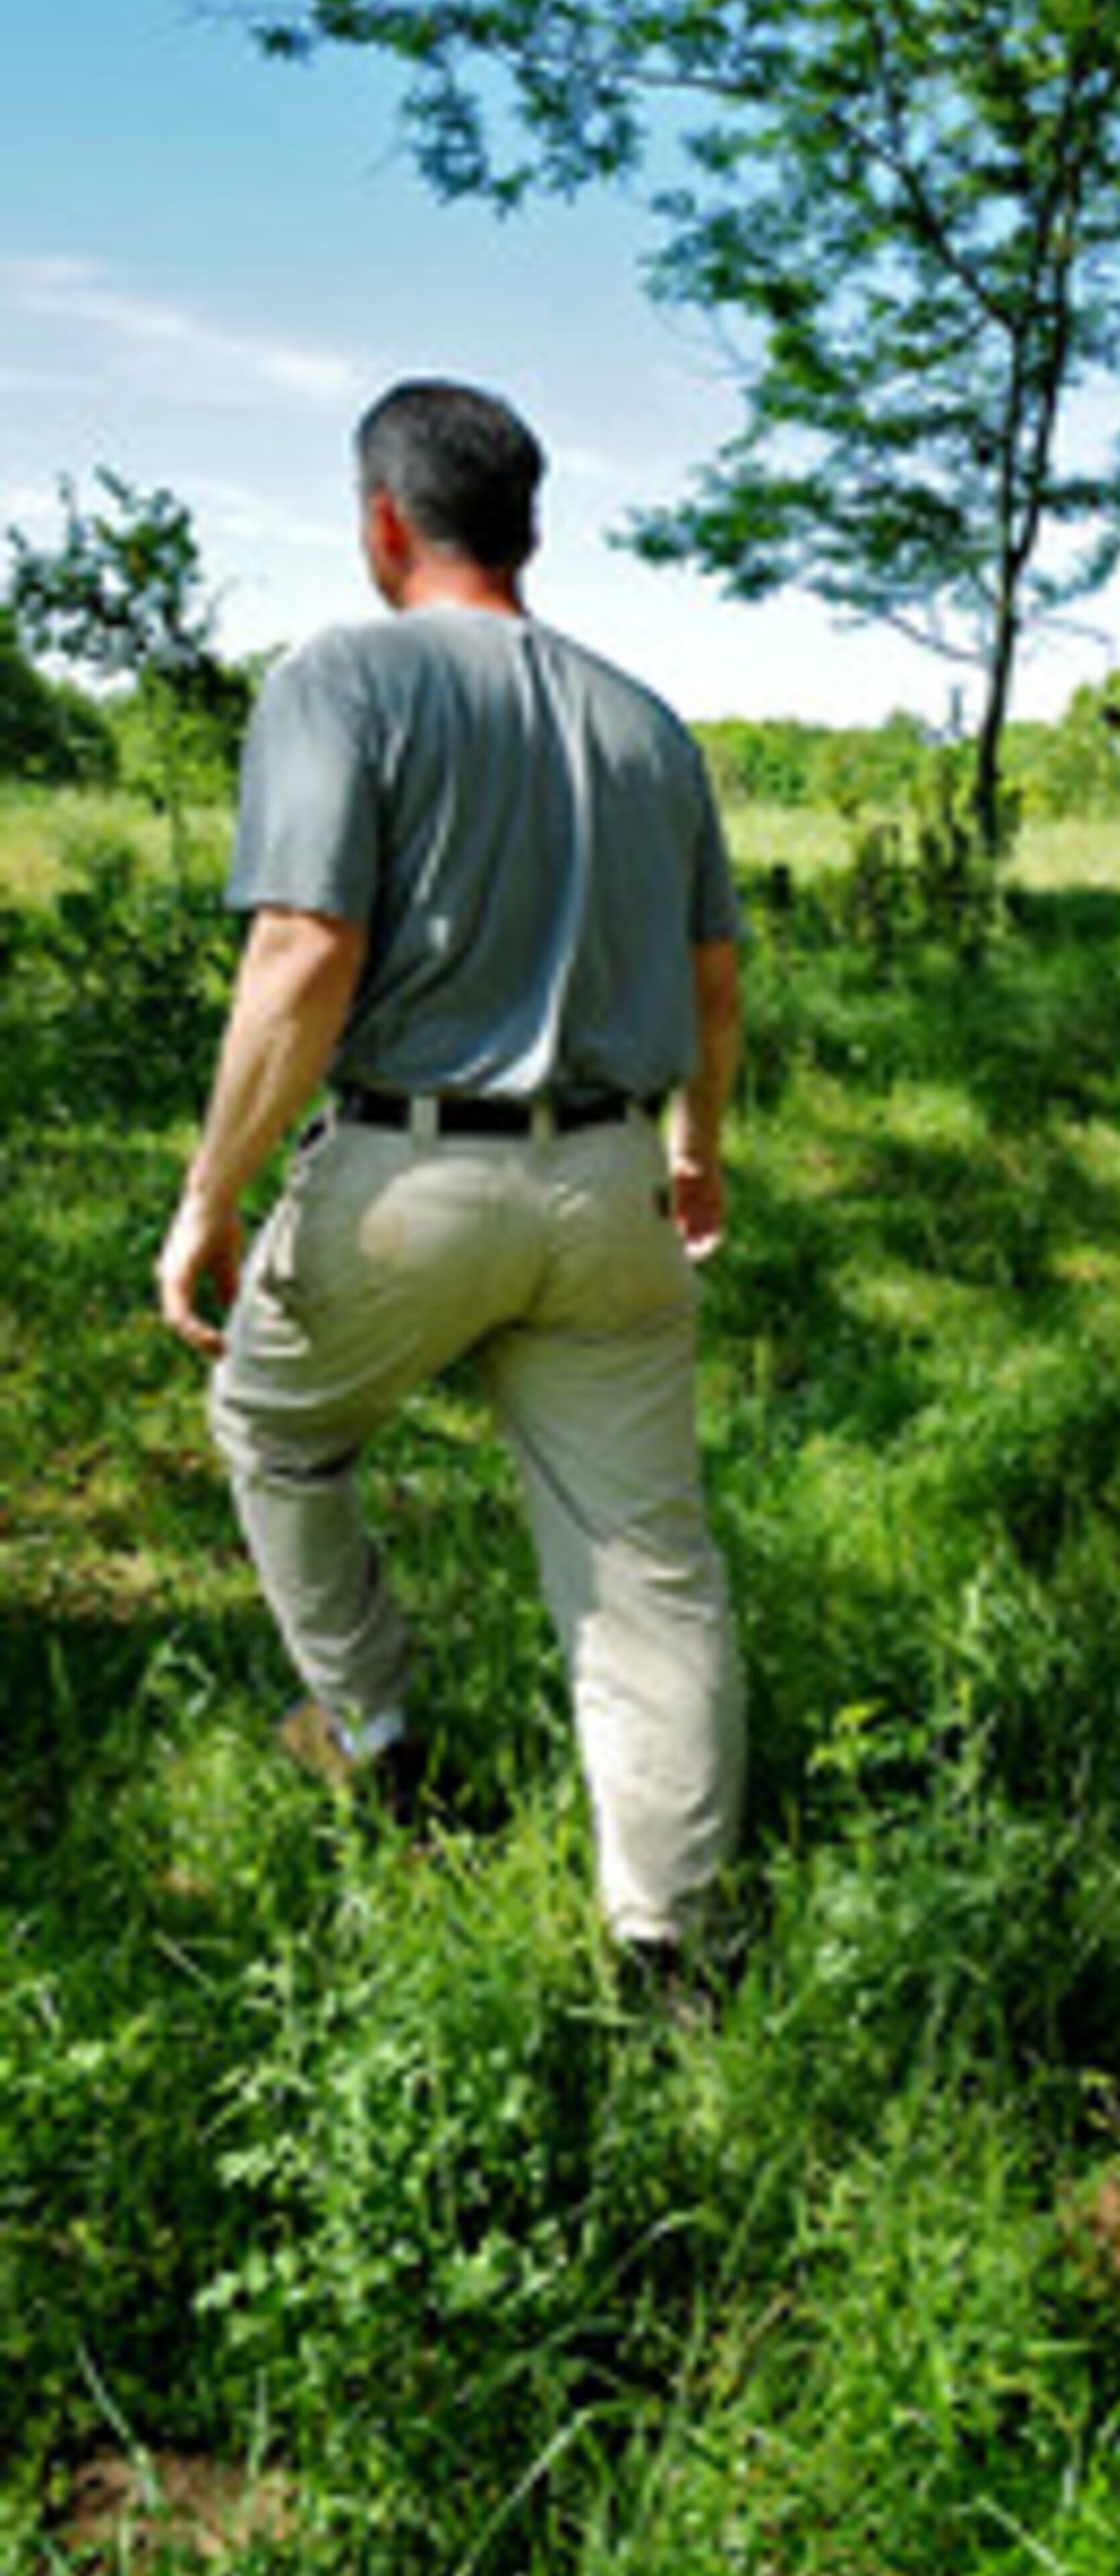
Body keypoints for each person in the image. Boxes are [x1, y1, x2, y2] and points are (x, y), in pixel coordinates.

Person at [155, 377, 746, 1980]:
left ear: (383, 521)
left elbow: (303, 949)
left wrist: (213, 1196)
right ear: (530, 526)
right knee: (646, 1568)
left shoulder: (342, 678)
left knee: (274, 1426)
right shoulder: (647, 721)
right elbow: (712, 981)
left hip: (412, 1177)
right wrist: (696, 1152)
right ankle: (673, 1955)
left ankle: (380, 1734)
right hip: (617, 1180)